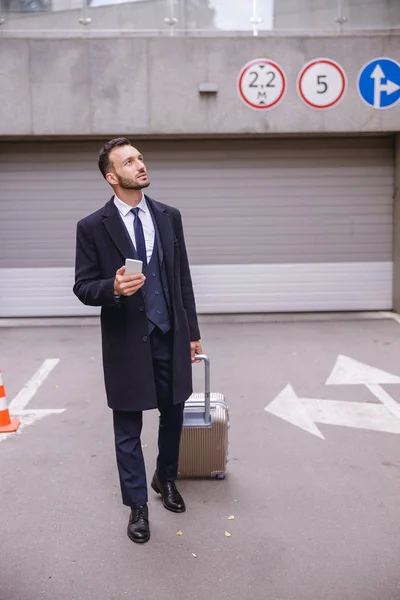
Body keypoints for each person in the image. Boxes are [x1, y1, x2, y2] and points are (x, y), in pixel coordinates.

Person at [73, 137, 203, 544]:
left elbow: (181, 277)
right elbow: (82, 286)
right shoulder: (93, 227)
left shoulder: (169, 216)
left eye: (140, 158)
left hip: (170, 332)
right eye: (129, 162)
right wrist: (111, 287)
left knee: (174, 412)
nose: (140, 165)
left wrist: (192, 332)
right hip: (127, 339)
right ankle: (137, 507)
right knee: (128, 426)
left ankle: (164, 480)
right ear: (113, 177)